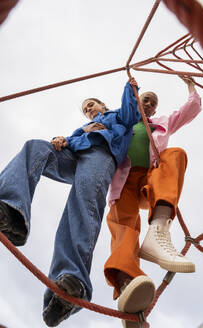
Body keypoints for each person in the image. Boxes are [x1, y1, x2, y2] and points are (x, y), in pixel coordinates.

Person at [0, 78, 151, 327]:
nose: (89, 110)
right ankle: (10, 211)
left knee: (83, 203)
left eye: (92, 105)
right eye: (85, 109)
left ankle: (70, 280)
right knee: (36, 147)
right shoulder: (84, 128)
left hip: (100, 156)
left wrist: (130, 86)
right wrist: (63, 140)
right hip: (74, 154)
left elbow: (129, 111)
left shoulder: (116, 117)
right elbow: (70, 141)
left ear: (103, 104)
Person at [104, 77, 202, 328]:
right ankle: (128, 284)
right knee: (123, 225)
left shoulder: (161, 123)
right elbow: (96, 128)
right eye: (145, 99)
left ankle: (158, 231)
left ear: (155, 110)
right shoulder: (123, 121)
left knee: (175, 154)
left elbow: (190, 110)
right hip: (124, 181)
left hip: (151, 180)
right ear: (136, 102)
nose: (148, 104)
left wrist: (191, 87)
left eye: (153, 103)